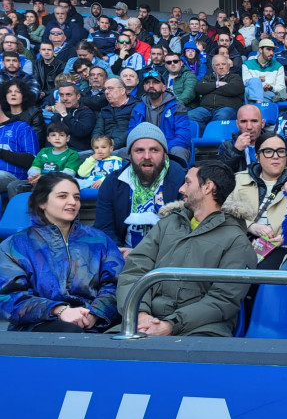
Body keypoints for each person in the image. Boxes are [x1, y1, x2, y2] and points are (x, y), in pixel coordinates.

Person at [116, 160, 256, 337]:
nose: (181, 189)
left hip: (202, 329)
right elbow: (134, 271)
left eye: (188, 182)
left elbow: (223, 300)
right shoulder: (166, 225)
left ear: (208, 187)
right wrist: (141, 314)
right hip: (144, 322)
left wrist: (170, 325)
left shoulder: (237, 241)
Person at [0, 173, 124, 332]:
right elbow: (7, 297)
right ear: (42, 202)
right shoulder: (15, 245)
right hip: (37, 326)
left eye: (77, 197)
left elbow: (117, 285)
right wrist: (58, 310)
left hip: (96, 324)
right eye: (62, 196)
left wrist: (94, 314)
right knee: (70, 331)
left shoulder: (99, 240)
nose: (72, 202)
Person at [95, 123, 186, 254]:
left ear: (165, 154)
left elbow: (184, 230)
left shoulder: (182, 180)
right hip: (123, 256)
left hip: (167, 257)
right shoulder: (113, 182)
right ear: (129, 155)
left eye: (154, 150)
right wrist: (119, 252)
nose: (147, 156)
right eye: (139, 150)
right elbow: (104, 228)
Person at [227, 132, 287, 269]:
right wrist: (250, 226)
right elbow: (222, 212)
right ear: (257, 156)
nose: (275, 156)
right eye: (268, 151)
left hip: (281, 247)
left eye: (281, 151)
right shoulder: (237, 180)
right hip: (240, 242)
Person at [127, 70, 191, 166]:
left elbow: (183, 137)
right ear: (144, 87)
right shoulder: (137, 109)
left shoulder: (177, 107)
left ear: (164, 87)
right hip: (143, 148)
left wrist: (160, 149)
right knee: (117, 154)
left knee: (178, 151)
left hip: (170, 148)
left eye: (155, 82)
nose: (151, 85)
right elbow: (131, 134)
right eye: (147, 83)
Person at [14, 121, 81, 196]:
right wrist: (33, 177)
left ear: (67, 138)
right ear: (48, 138)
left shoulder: (72, 154)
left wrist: (43, 178)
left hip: (59, 183)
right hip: (38, 181)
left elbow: (68, 174)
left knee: (42, 189)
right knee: (14, 185)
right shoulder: (43, 151)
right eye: (53, 135)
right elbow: (34, 168)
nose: (57, 138)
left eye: (61, 135)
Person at [189, 54, 244, 135]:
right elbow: (199, 88)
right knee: (189, 116)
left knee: (222, 116)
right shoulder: (208, 77)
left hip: (227, 108)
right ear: (213, 68)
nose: (221, 67)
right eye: (217, 65)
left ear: (228, 66)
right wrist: (217, 84)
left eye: (223, 64)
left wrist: (209, 88)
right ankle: (203, 138)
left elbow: (234, 89)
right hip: (206, 108)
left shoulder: (235, 77)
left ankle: (213, 142)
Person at [92, 78, 137, 152]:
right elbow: (97, 130)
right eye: (105, 89)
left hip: (126, 148)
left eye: (110, 88)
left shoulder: (136, 106)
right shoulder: (104, 110)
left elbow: (132, 130)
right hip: (104, 149)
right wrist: (97, 146)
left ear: (122, 91)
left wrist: (112, 145)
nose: (106, 92)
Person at [219, 104, 266, 173]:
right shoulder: (227, 146)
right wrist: (235, 150)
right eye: (244, 121)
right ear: (237, 124)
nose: (249, 127)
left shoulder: (274, 143)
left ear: (262, 123)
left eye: (254, 121)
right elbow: (222, 174)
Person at [49, 81, 95, 152]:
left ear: (78, 96)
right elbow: (50, 136)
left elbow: (80, 132)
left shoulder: (86, 112)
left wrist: (64, 114)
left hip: (79, 153)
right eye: (61, 95)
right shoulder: (57, 115)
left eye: (68, 95)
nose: (65, 98)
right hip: (59, 152)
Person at [1, 78, 46, 146]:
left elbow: (36, 141)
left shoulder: (34, 114)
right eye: (9, 92)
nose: (13, 94)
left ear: (24, 95)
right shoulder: (2, 114)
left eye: (18, 91)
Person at [243, 38, 286, 102]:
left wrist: (271, 87)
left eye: (273, 50)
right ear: (260, 50)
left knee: (248, 92)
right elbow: (246, 82)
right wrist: (258, 81)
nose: (271, 53)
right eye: (268, 49)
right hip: (253, 92)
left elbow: (281, 87)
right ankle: (259, 104)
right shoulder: (247, 64)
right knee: (248, 89)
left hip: (269, 93)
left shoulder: (278, 66)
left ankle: (255, 108)